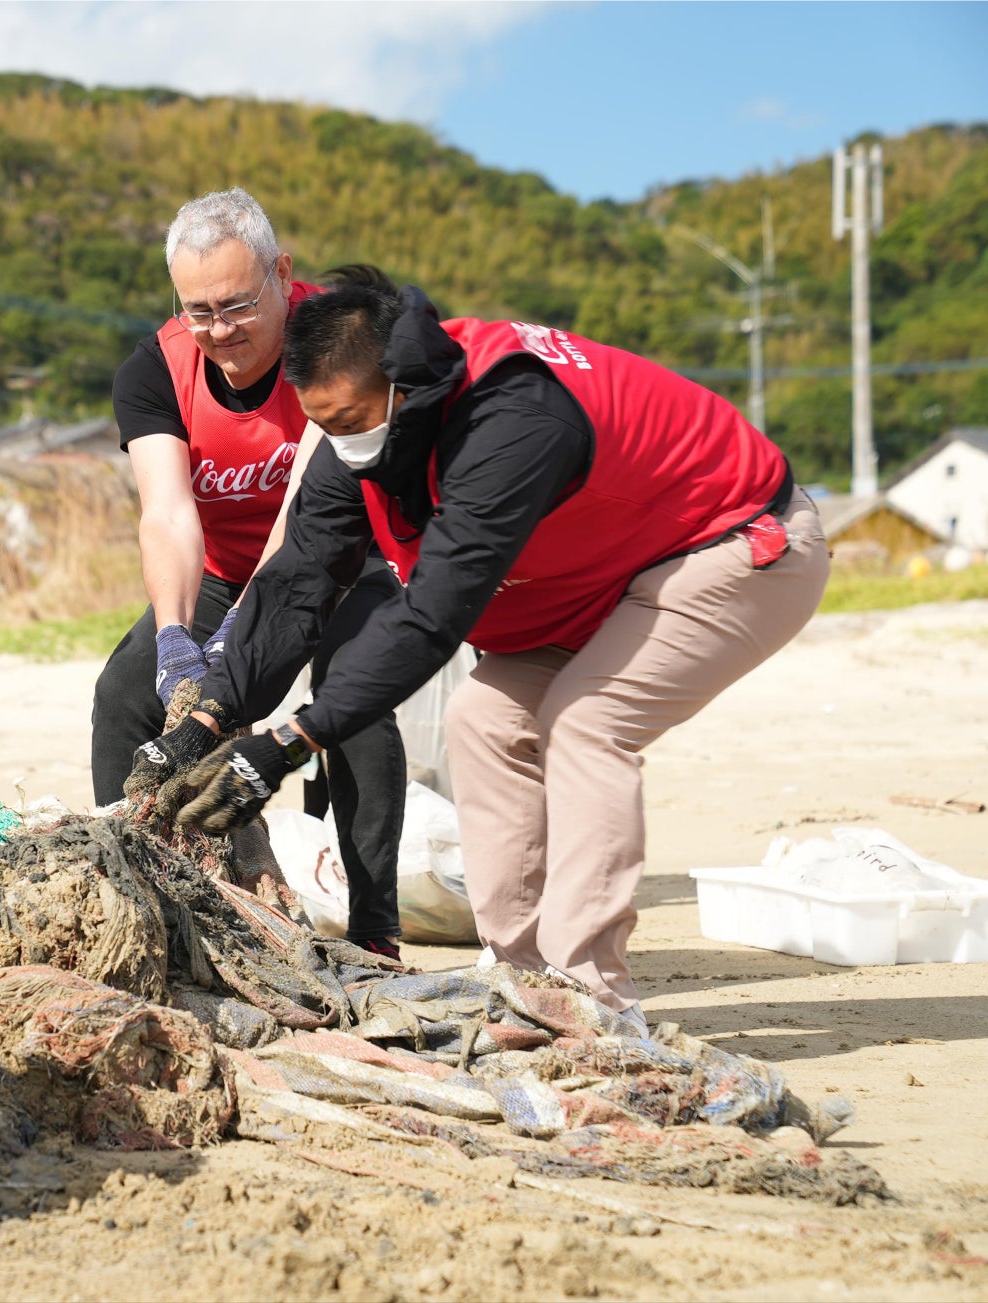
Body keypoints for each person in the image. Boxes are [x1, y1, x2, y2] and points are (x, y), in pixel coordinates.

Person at [129, 265, 828, 1022]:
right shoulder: (357, 431)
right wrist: (211, 719)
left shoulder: (513, 421)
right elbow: (299, 582)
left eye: (351, 418)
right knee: (482, 720)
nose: (340, 442)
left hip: (733, 541)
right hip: (601, 580)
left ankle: (595, 998)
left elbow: (432, 617)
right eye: (321, 423)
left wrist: (291, 741)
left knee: (588, 724)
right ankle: (522, 981)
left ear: (403, 384)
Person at [96, 189, 405, 956]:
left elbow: (307, 513)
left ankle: (375, 930)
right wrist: (174, 634)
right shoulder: (158, 368)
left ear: (282, 274)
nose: (219, 330)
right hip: (224, 571)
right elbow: (168, 513)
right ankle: (139, 900)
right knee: (122, 694)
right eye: (198, 310)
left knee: (355, 700)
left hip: (341, 560)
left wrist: (246, 641)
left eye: (236, 305)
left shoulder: (333, 340)